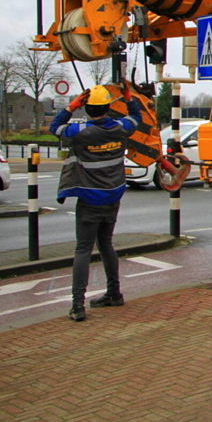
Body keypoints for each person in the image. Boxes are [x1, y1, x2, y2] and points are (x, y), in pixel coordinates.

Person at [50, 83, 142, 322]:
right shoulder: (120, 128)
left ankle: (78, 306)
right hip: (113, 195)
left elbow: (55, 127)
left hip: (90, 198)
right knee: (106, 245)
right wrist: (129, 98)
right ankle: (114, 293)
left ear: (87, 108)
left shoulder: (80, 132)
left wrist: (71, 107)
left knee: (83, 249)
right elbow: (136, 118)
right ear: (108, 107)